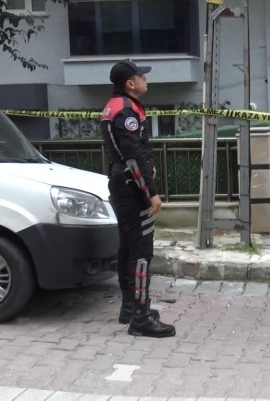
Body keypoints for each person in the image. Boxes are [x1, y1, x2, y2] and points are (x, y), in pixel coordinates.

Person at [101, 58, 175, 338]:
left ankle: (131, 308)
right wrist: (151, 193)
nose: (146, 79)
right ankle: (141, 318)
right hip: (131, 186)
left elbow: (133, 152)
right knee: (141, 252)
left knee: (128, 247)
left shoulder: (116, 105)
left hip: (122, 183)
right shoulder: (125, 111)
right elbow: (132, 156)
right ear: (130, 83)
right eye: (142, 76)